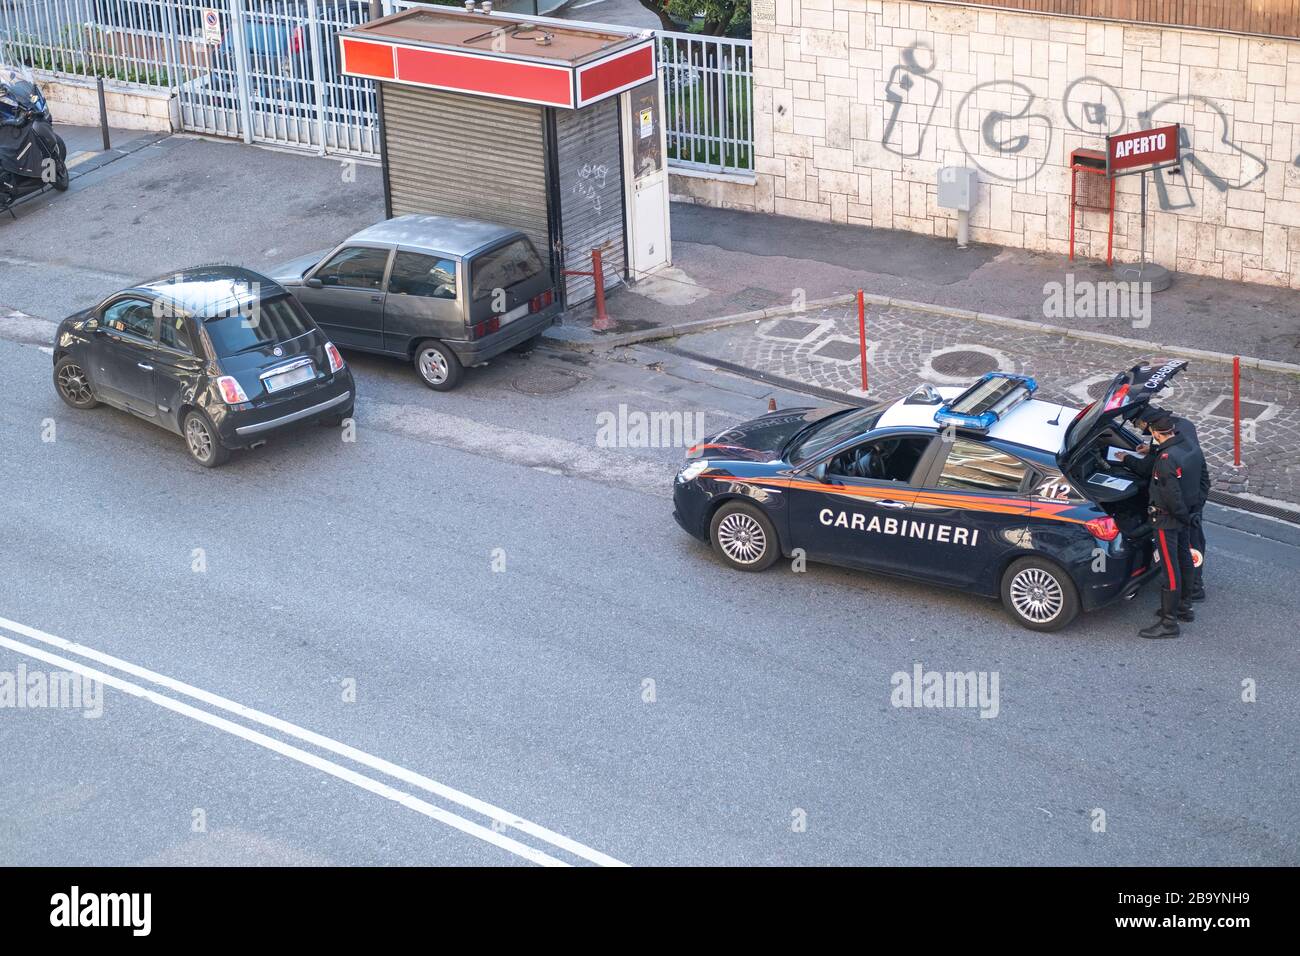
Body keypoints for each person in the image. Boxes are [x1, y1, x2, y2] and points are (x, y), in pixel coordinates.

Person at [1118, 405, 1210, 601]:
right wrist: (1196, 507)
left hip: (1177, 512)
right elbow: (1203, 477)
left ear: (1148, 424)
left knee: (1176, 559)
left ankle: (1189, 592)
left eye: (1138, 425)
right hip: (1192, 502)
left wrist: (1127, 459)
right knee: (1191, 546)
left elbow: (1153, 471)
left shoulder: (1167, 456)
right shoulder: (1181, 429)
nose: (1140, 429)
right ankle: (1190, 593)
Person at [1137, 413, 1200, 639]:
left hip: (1166, 519)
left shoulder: (1165, 460)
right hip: (1185, 516)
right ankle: (1184, 606)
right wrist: (1191, 514)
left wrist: (1181, 515)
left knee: (1169, 568)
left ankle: (1169, 622)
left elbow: (1170, 496)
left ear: (1155, 433)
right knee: (1184, 558)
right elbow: (1203, 481)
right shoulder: (1188, 448)